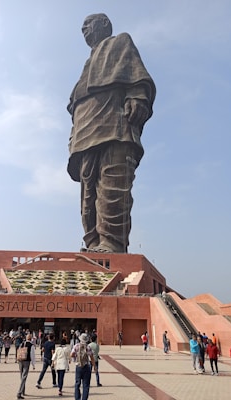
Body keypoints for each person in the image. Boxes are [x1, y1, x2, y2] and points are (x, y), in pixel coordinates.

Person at [67, 13, 156, 254]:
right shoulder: (87, 65)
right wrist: (73, 135)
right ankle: (93, 242)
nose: (84, 29)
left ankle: (112, 242)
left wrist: (137, 95)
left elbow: (136, 74)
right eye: (81, 27)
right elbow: (75, 103)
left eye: (88, 24)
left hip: (113, 124)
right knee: (88, 194)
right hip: (86, 130)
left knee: (112, 183)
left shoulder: (120, 43)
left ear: (104, 24)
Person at [71, 333, 96, 400]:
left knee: (77, 383)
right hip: (86, 367)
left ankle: (77, 397)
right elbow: (92, 357)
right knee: (86, 385)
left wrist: (75, 357)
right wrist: (94, 367)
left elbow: (71, 355)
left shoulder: (76, 346)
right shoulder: (88, 347)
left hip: (78, 366)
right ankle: (84, 398)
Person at [16, 333, 35, 399]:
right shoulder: (31, 345)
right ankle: (19, 392)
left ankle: (23, 391)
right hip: (27, 361)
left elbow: (18, 351)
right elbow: (32, 355)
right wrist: (33, 364)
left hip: (20, 360)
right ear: (31, 338)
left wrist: (17, 359)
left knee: (22, 376)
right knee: (24, 377)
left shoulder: (22, 344)